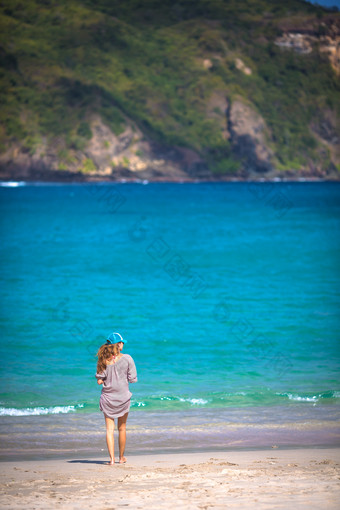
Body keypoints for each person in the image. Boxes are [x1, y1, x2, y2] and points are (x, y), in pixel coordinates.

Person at [95, 332, 137, 465]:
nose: (123, 344)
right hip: (123, 398)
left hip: (108, 398)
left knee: (109, 430)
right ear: (118, 345)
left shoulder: (103, 360)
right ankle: (121, 457)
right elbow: (132, 379)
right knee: (122, 428)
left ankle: (112, 460)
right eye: (122, 342)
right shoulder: (128, 358)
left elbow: (99, 381)